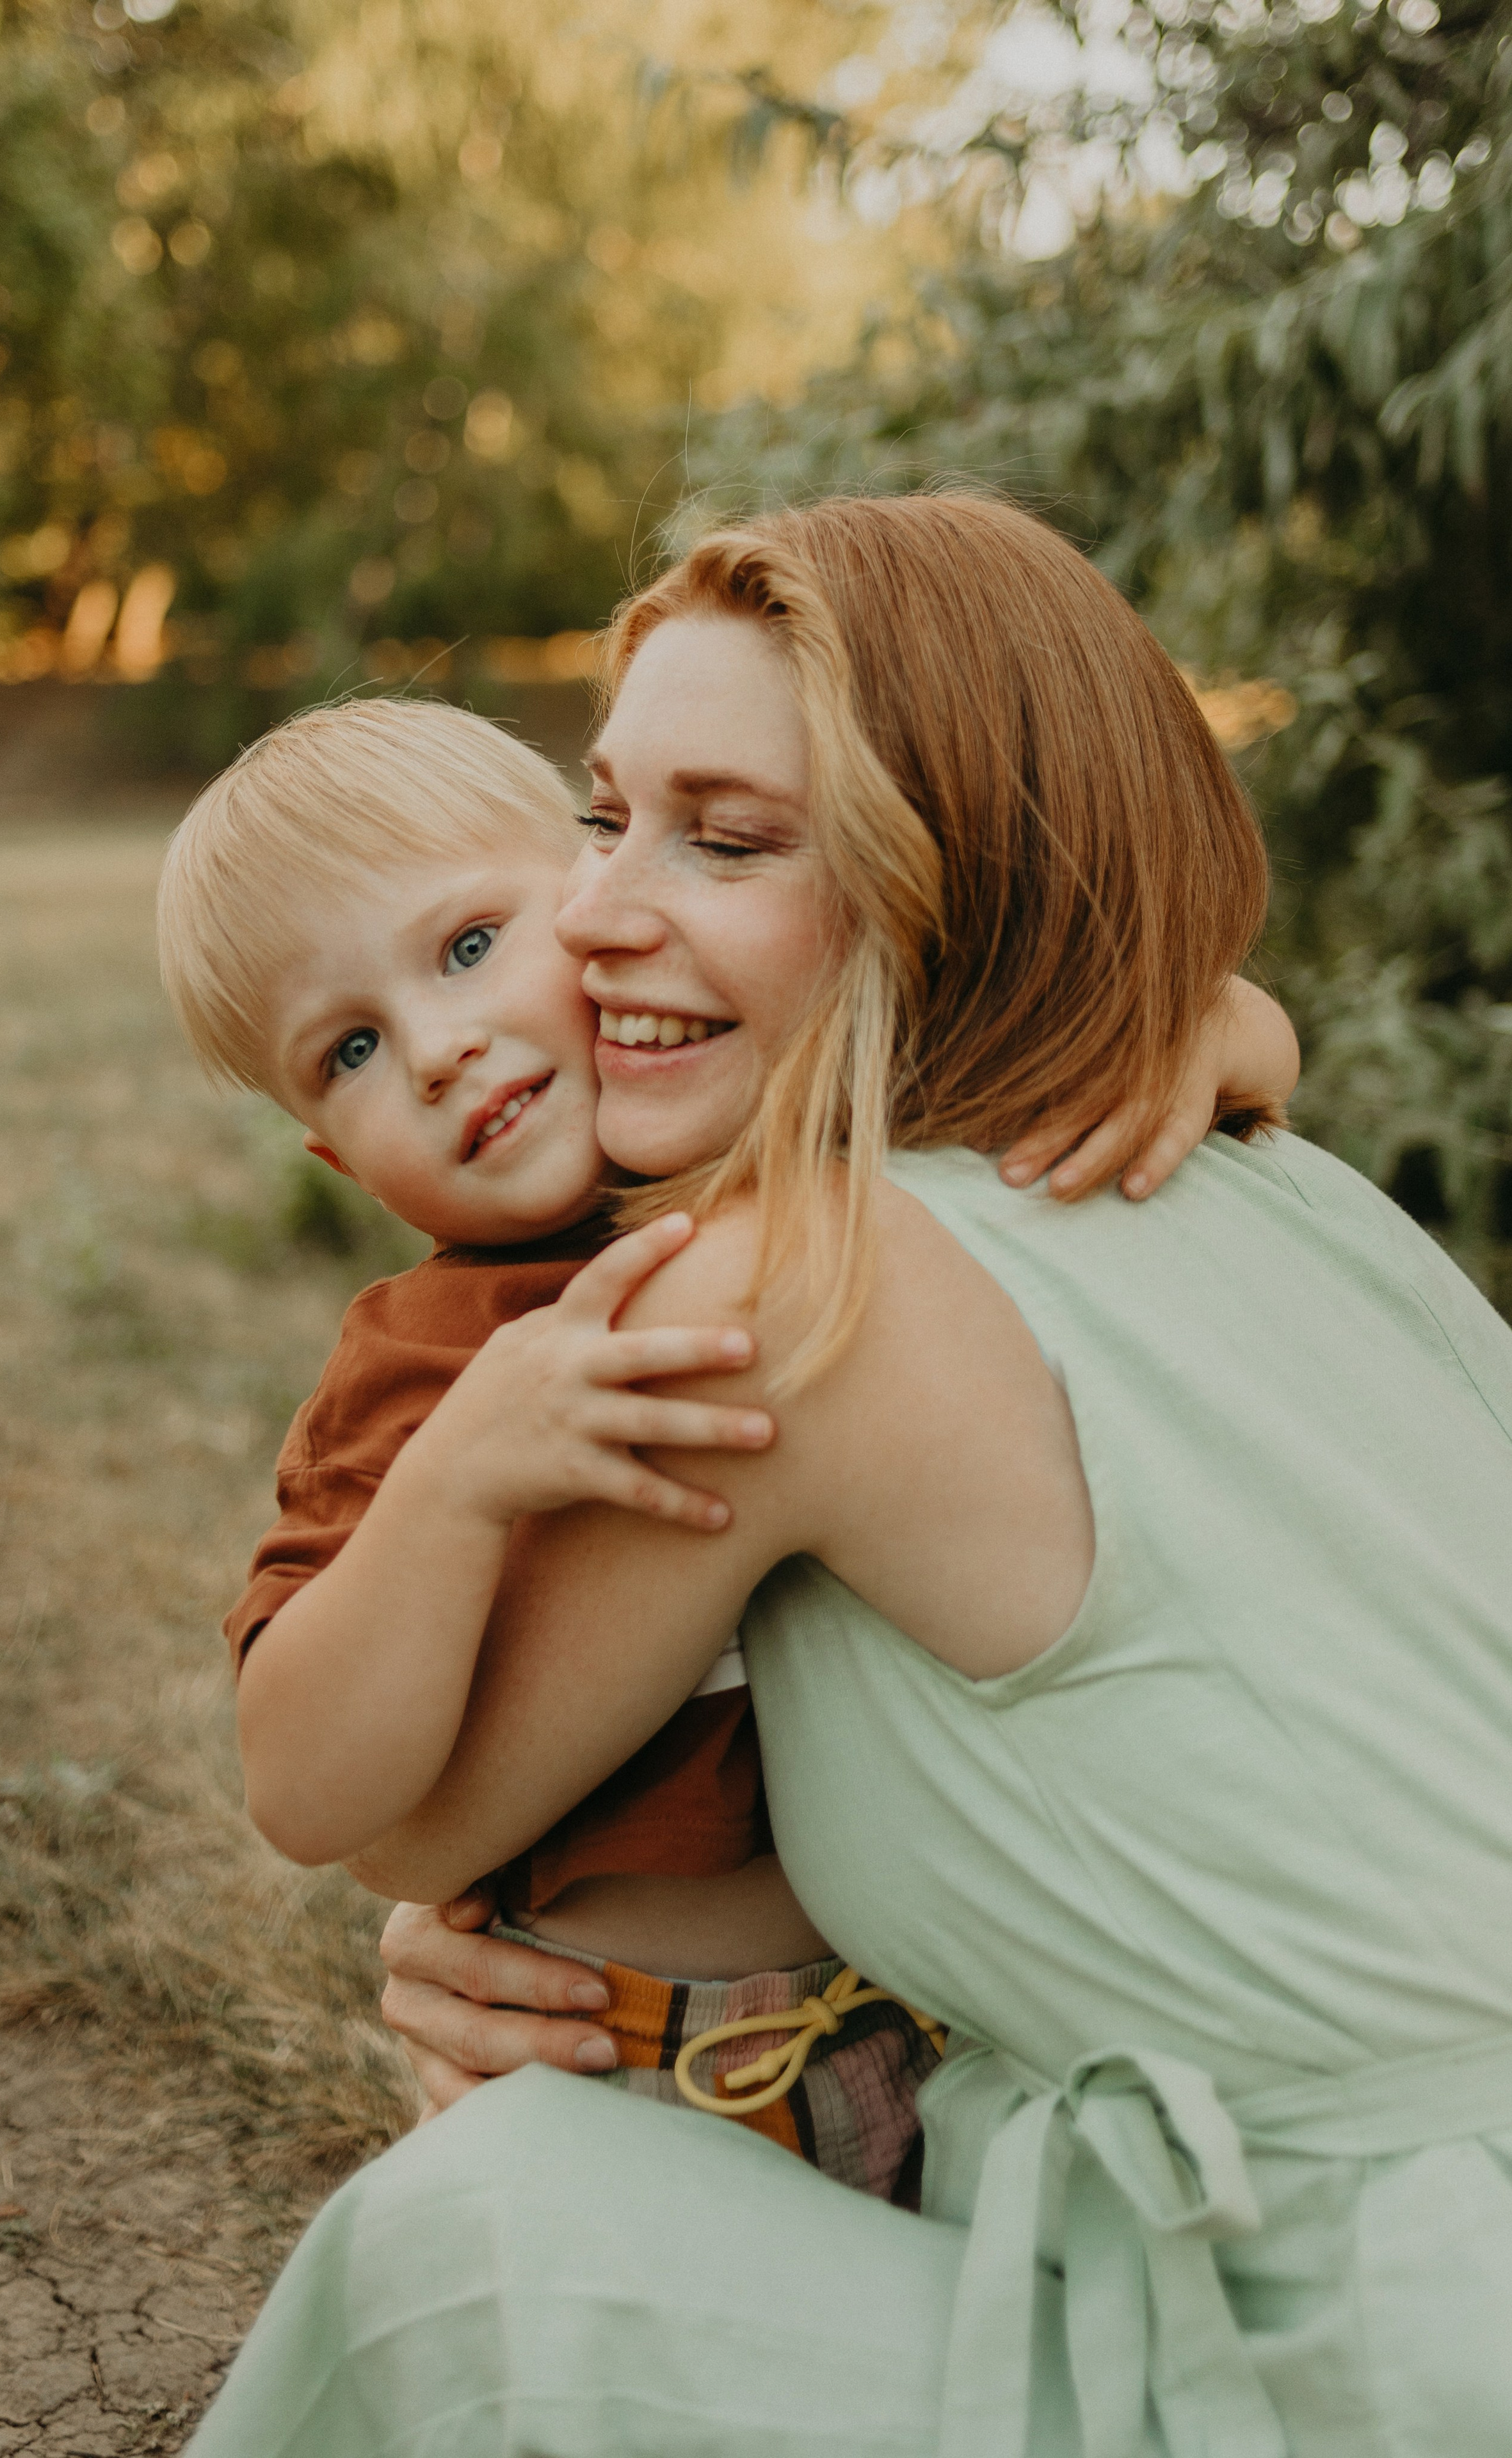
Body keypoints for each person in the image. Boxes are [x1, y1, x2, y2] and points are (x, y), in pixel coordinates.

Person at [194, 488, 1512, 2458]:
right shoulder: (1277, 1174)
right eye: (604, 813)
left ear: (961, 860)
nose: (600, 913)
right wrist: (1221, 1016)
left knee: (460, 2248)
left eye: (721, 839)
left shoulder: (781, 1291)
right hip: (1408, 2223)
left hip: (1382, 2332)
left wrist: (457, 1921)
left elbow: (395, 1827)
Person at [159, 696, 1291, 2194]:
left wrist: (1200, 1032)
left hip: (953, 2023)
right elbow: (304, 1791)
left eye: (470, 946)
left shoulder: (800, 1140)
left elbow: (1231, 1026)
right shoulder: (426, 1367)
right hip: (629, 2058)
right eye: (349, 1050)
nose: (434, 1049)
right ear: (329, 1153)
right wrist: (455, 1485)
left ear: (597, 893)